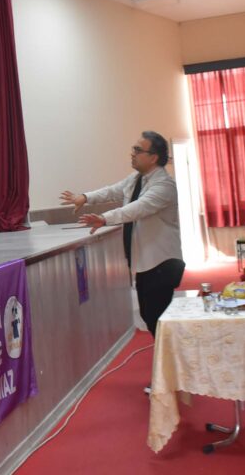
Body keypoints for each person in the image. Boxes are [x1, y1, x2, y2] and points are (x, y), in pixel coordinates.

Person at [59, 131, 184, 344]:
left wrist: (104, 218)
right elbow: (112, 191)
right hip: (145, 262)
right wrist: (85, 197)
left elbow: (137, 209)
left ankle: (175, 360)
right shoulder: (136, 179)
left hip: (162, 262)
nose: (132, 154)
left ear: (153, 157)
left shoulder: (164, 185)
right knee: (150, 317)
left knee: (158, 318)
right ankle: (169, 360)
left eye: (138, 150)